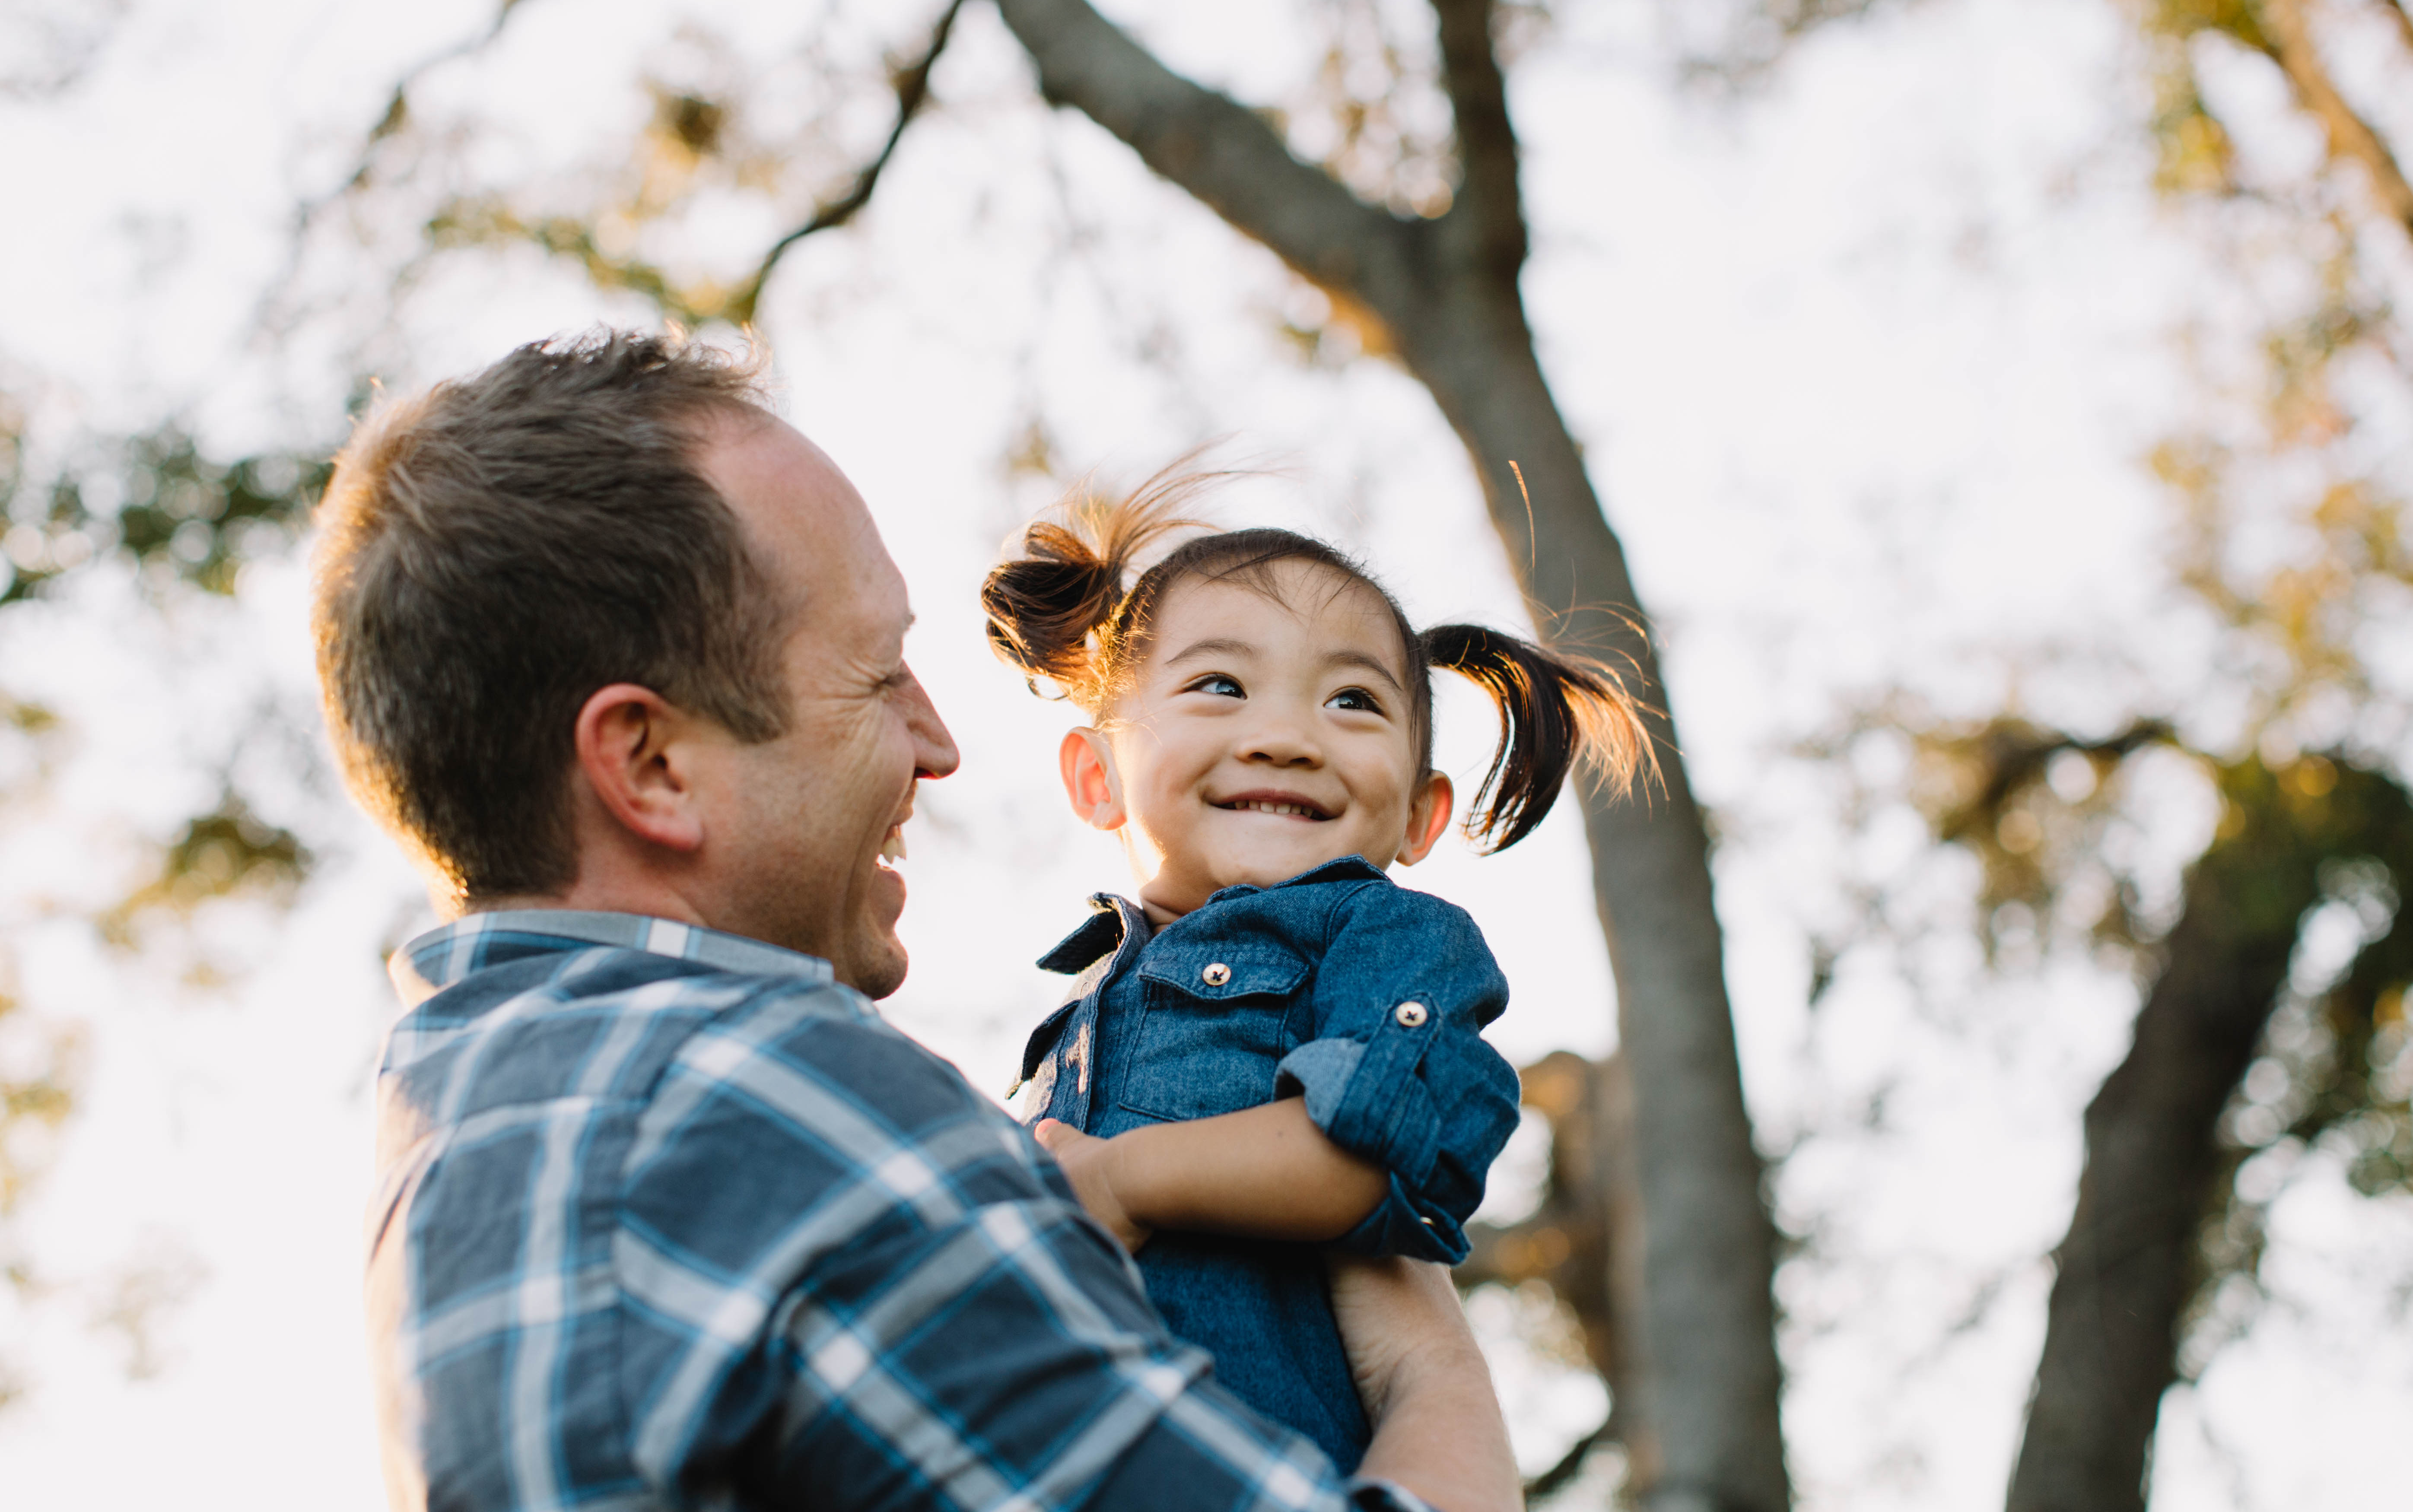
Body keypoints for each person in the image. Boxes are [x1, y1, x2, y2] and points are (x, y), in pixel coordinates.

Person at [310, 330, 1520, 1512]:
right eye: (878, 673)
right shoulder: (778, 1105)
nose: (939, 744)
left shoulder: (459, 1140)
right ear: (653, 766)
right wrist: (1439, 1381)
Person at [980, 471, 1650, 1472]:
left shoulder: (1384, 938)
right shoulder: (1079, 1006)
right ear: (1098, 777)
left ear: (1422, 815)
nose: (1287, 737)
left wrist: (1121, 1181)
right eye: (1219, 686)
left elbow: (1370, 1152)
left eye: (1353, 701)